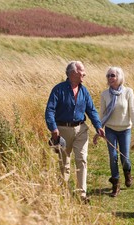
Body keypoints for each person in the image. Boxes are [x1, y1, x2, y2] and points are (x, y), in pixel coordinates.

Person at [45, 61, 105, 202]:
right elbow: (50, 110)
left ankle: (81, 194)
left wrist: (98, 126)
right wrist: (53, 129)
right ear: (73, 73)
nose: (84, 73)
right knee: (64, 163)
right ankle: (62, 192)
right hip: (62, 131)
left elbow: (91, 110)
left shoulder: (84, 91)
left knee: (82, 160)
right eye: (82, 71)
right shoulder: (58, 90)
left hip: (81, 129)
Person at [94, 66, 134, 197]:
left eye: (112, 75)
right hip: (110, 130)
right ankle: (115, 185)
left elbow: (132, 112)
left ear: (119, 77)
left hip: (125, 129)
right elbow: (101, 114)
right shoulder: (104, 94)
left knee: (125, 157)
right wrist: (98, 130)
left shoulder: (128, 92)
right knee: (113, 157)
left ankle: (128, 173)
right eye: (108, 76)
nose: (110, 78)